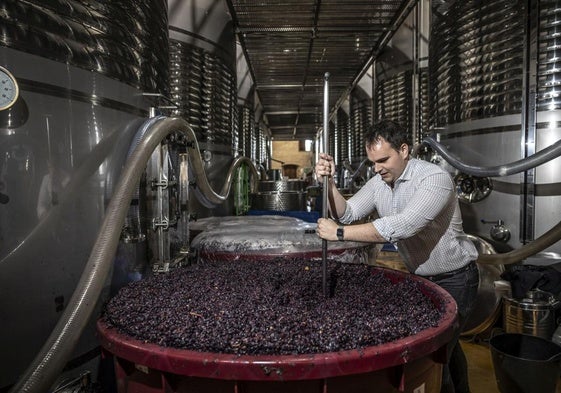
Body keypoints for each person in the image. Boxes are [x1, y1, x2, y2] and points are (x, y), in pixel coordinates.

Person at [315, 119, 479, 393]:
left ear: (404, 150)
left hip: (456, 279)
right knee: (449, 349)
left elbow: (404, 226)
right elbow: (348, 213)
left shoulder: (433, 178)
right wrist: (329, 184)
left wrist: (339, 234)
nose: (377, 168)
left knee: (436, 358)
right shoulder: (380, 182)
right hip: (424, 279)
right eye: (373, 162)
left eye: (383, 160)